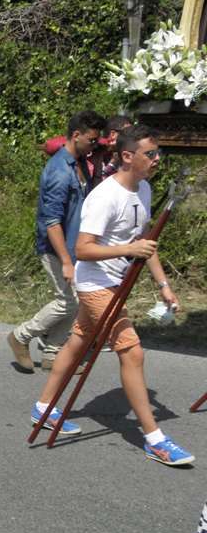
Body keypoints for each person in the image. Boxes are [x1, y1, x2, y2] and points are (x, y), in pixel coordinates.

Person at [32, 124, 194, 466]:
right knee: (132, 352)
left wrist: (164, 286)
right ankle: (155, 439)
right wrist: (128, 248)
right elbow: (83, 249)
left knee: (77, 341)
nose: (157, 159)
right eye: (150, 154)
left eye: (158, 152)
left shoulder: (145, 190)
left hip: (116, 283)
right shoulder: (105, 197)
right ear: (126, 156)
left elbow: (146, 244)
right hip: (94, 284)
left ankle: (44, 407)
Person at [7, 111, 106, 373]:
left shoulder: (80, 162)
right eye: (92, 140)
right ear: (76, 136)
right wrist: (65, 261)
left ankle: (52, 353)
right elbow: (51, 222)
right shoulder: (60, 172)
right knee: (68, 302)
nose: (95, 145)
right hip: (56, 247)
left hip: (75, 245)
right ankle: (21, 336)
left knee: (77, 300)